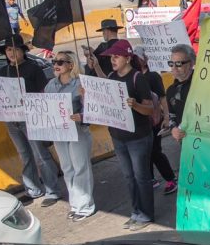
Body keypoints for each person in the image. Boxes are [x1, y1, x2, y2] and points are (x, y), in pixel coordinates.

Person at [0, 34, 62, 205]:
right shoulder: (3, 71)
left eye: (15, 49)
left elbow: (44, 93)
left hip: (32, 119)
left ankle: (52, 191)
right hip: (12, 120)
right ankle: (33, 189)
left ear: (22, 51)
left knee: (40, 155)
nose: (12, 53)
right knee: (24, 155)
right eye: (9, 50)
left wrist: (29, 99)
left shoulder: (33, 68)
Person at [101, 40, 155, 230]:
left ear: (127, 57)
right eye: (111, 57)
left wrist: (136, 105)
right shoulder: (111, 76)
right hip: (118, 137)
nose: (113, 60)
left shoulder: (137, 78)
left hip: (138, 138)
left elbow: (149, 109)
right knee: (128, 177)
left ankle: (146, 214)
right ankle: (136, 211)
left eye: (116, 56)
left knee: (141, 177)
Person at [44, 51, 95, 220]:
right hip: (59, 132)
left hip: (78, 131)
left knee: (81, 167)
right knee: (67, 168)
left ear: (71, 65)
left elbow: (93, 110)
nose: (56, 65)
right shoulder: (50, 85)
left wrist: (82, 115)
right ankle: (75, 203)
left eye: (60, 62)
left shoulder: (81, 84)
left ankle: (85, 206)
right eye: (54, 61)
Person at [133, 48, 178, 195]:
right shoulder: (134, 76)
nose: (135, 60)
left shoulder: (152, 76)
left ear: (145, 59)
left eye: (138, 57)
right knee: (146, 153)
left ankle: (171, 179)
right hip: (142, 122)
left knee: (155, 152)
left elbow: (163, 98)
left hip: (155, 121)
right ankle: (151, 179)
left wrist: (166, 118)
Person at [167, 44, 195, 142]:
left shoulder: (202, 84)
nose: (174, 67)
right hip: (185, 143)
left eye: (178, 63)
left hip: (206, 143)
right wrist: (173, 129)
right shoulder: (171, 90)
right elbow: (172, 115)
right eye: (171, 63)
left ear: (191, 64)